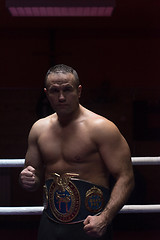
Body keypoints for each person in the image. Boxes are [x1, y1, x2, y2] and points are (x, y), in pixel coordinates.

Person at [19, 64, 134, 240]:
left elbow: (126, 177)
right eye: (54, 91)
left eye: (67, 89)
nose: (61, 97)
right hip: (50, 224)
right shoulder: (38, 129)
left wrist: (105, 218)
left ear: (79, 91)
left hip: (90, 226)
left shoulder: (102, 128)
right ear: (46, 93)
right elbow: (33, 178)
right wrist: (27, 179)